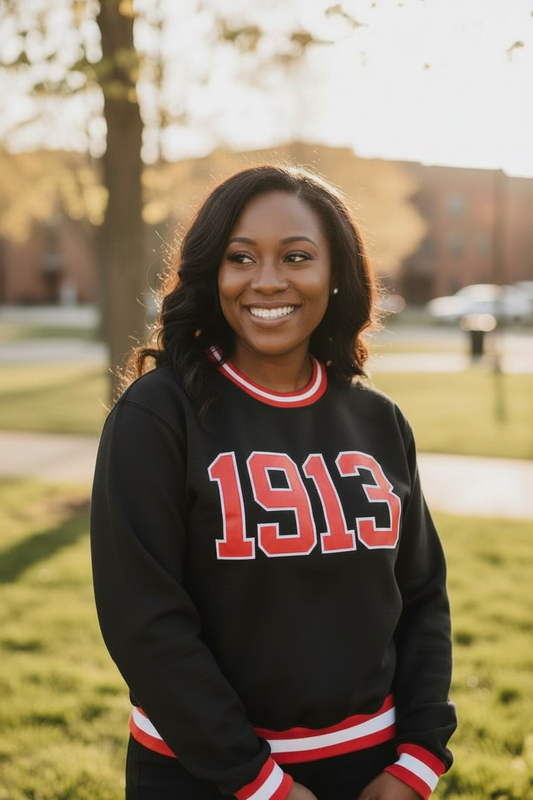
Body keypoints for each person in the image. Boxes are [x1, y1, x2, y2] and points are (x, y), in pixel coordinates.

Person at [90, 165, 456, 800]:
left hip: (371, 774)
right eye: (241, 257)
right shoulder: (157, 414)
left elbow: (422, 598)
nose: (266, 281)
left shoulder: (377, 419)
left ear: (336, 274)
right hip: (206, 775)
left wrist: (417, 761)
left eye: (296, 256)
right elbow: (144, 623)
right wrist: (262, 785)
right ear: (214, 272)